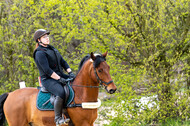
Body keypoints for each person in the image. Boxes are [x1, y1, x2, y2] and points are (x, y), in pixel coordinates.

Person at [33, 29, 75, 125]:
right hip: (48, 79)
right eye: (44, 37)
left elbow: (63, 62)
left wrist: (70, 73)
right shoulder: (39, 53)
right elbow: (47, 70)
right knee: (60, 92)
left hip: (59, 75)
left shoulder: (52, 49)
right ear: (39, 40)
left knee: (75, 82)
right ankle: (58, 119)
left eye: (47, 36)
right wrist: (60, 79)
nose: (47, 38)